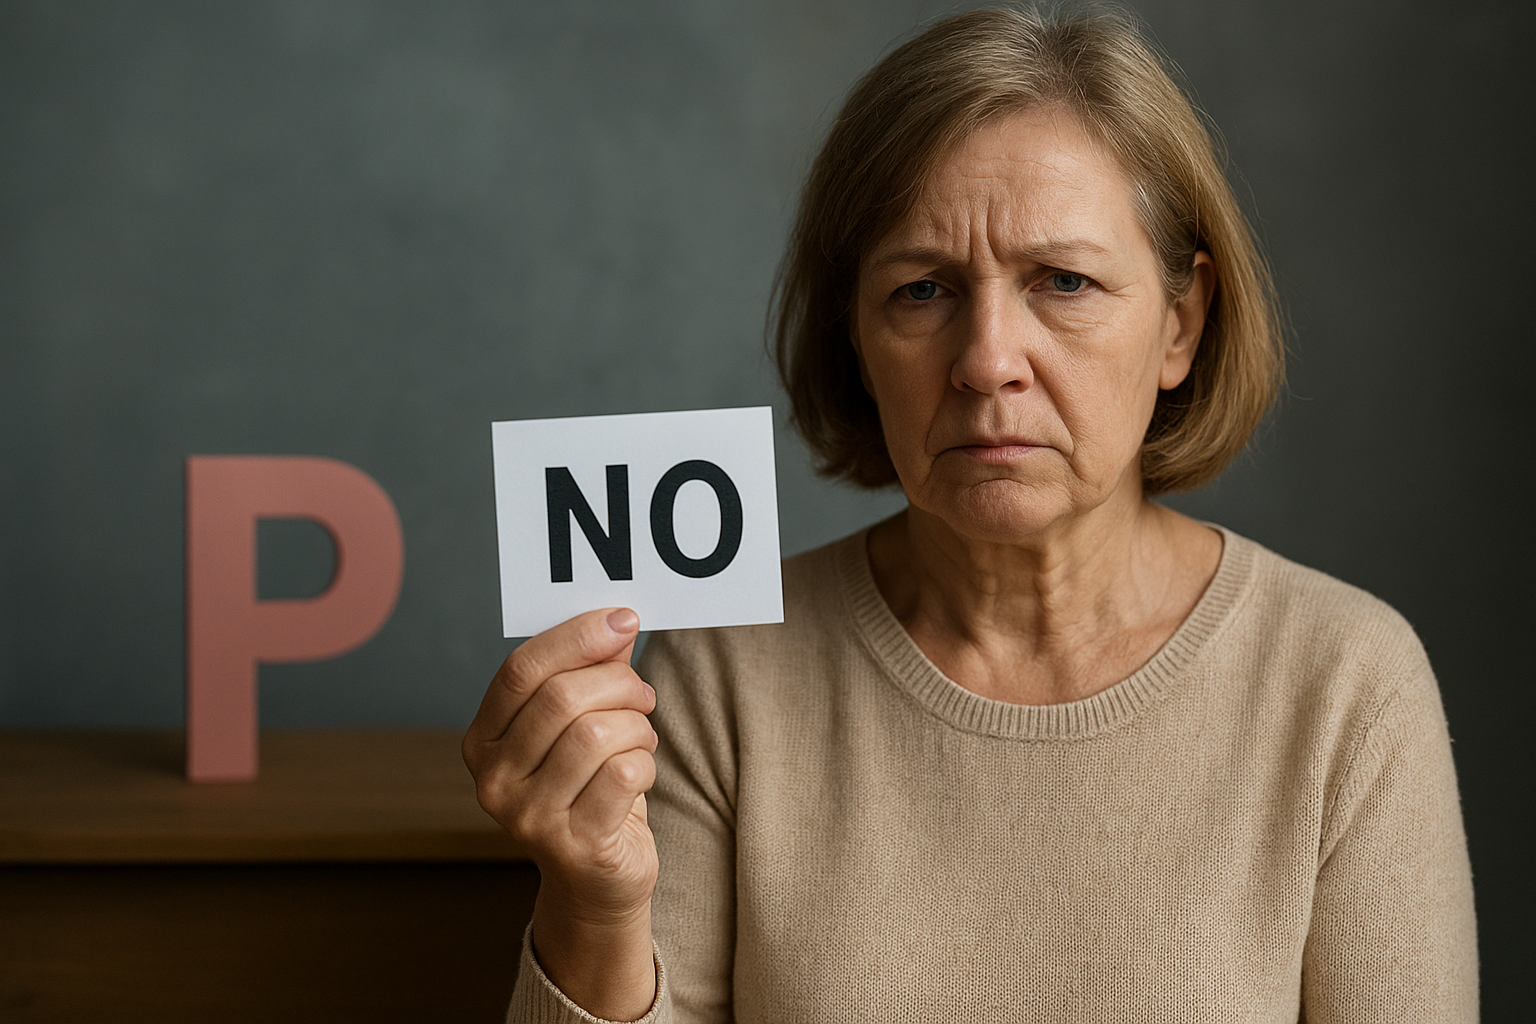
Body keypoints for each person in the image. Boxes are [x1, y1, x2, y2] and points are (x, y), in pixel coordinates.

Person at [463, 7, 1477, 1022]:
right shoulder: (723, 673)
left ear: (1182, 320)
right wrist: (594, 907)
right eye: (922, 291)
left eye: (1065, 281)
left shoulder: (1345, 685)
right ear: (855, 335)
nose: (988, 359)